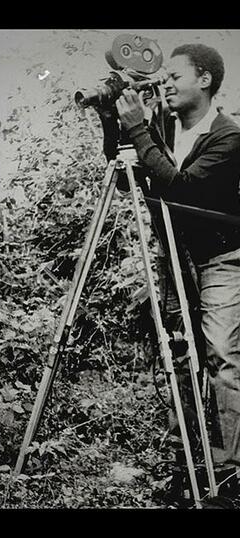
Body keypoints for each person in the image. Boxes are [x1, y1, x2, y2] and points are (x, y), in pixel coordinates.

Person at [115, 43, 240, 502]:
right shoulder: (161, 127)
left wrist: (139, 130)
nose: (164, 84)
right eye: (162, 77)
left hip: (223, 259)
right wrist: (120, 118)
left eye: (175, 77)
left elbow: (182, 189)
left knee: (223, 358)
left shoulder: (229, 136)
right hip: (175, 257)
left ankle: (226, 473)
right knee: (180, 354)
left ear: (205, 80)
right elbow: (122, 156)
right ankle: (186, 463)